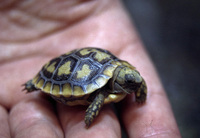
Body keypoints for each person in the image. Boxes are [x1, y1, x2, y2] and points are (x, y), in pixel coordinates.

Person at [0, 0, 181, 137]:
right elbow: (100, 95)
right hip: (63, 71)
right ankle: (36, 82)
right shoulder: (102, 92)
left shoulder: (126, 79)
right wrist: (90, 116)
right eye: (129, 82)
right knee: (99, 95)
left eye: (133, 79)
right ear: (117, 81)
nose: (135, 82)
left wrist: (140, 91)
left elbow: (138, 81)